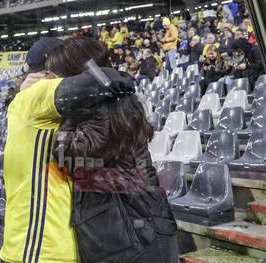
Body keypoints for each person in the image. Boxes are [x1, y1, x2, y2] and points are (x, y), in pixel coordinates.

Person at [0, 37, 135, 263]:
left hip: (48, 247)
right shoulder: (34, 95)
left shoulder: (41, 109)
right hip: (40, 251)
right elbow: (103, 82)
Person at [46, 37, 179, 263]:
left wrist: (66, 112)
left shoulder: (105, 109)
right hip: (125, 229)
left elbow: (64, 155)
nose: (53, 86)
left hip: (134, 231)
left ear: (76, 78)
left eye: (57, 78)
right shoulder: (105, 103)